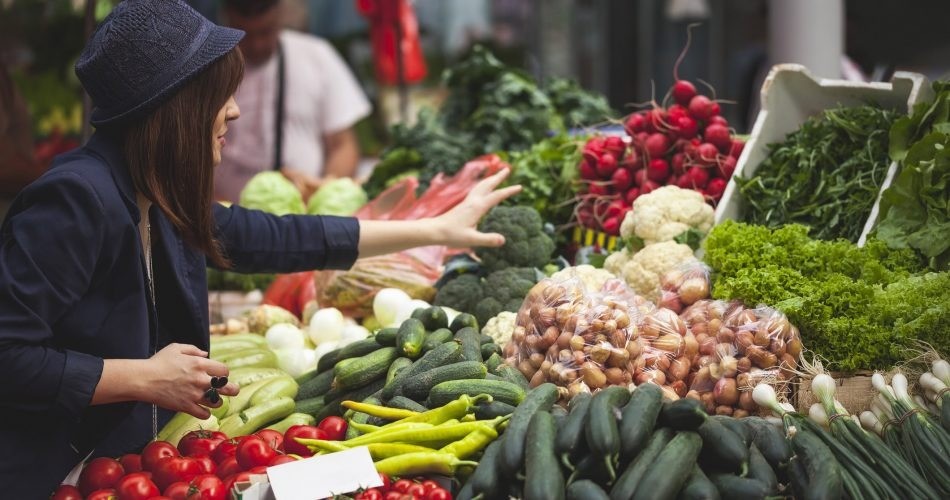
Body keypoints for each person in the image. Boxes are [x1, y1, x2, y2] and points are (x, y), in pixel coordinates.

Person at [0, 1, 519, 496]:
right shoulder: (75, 200)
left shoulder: (155, 192)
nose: (235, 111)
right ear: (175, 108)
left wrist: (434, 228)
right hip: (53, 475)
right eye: (219, 94)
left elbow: (283, 237)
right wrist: (145, 378)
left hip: (119, 469)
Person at [214, 0, 371, 202]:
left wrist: (321, 198)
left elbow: (343, 145)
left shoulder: (316, 56)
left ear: (280, 16)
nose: (257, 44)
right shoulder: (214, 66)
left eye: (265, 32)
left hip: (302, 215)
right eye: (245, 35)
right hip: (225, 217)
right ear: (227, 21)